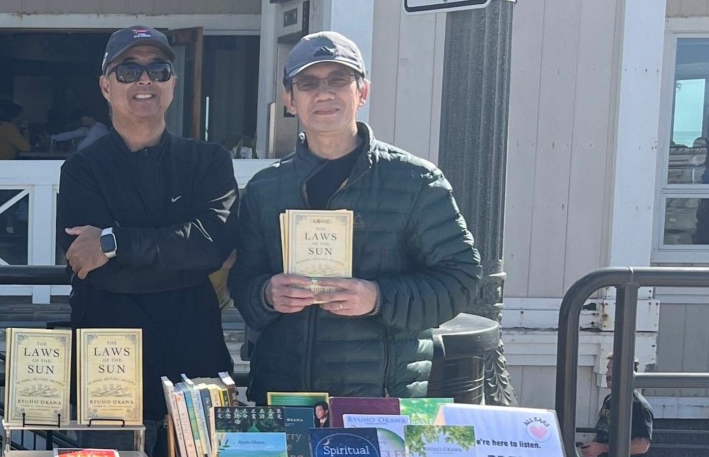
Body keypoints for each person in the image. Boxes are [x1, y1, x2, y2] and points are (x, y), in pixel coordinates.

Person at [232, 31, 481, 400]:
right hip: (284, 398)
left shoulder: (416, 181)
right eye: (308, 83)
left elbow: (462, 280)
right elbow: (243, 281)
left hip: (379, 401)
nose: (324, 93)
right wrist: (267, 294)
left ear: (362, 92)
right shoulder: (265, 189)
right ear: (290, 100)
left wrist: (378, 297)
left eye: (338, 80)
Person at [57, 26, 238, 433]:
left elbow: (212, 244)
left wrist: (114, 241)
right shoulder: (82, 169)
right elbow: (90, 267)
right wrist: (181, 259)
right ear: (106, 87)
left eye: (158, 69)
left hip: (196, 357)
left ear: (172, 83)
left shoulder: (209, 161)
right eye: (128, 71)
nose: (144, 80)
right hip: (108, 364)